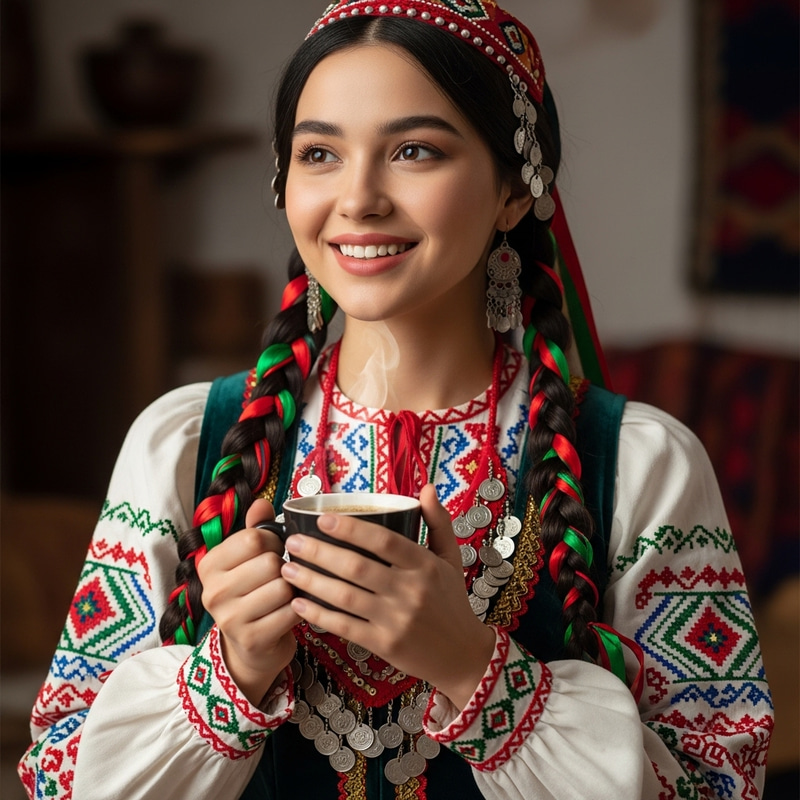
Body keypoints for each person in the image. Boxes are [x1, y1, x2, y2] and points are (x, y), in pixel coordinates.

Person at [19, 2, 773, 798]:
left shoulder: (637, 461)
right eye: (319, 154)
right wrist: (228, 676)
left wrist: (475, 671)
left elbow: (722, 784)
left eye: (414, 150)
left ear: (517, 191)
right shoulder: (184, 444)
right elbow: (52, 779)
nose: (359, 198)